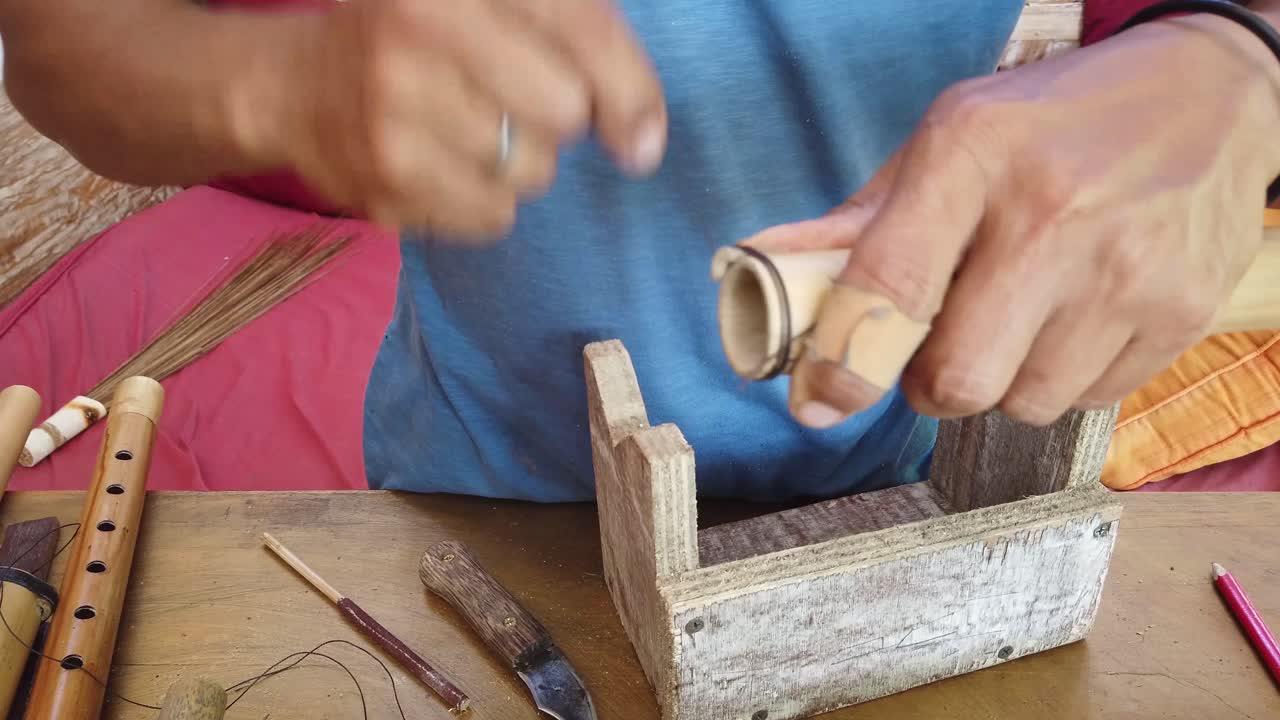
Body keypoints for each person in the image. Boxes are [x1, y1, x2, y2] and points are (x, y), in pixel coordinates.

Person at [1, 1, 1276, 502]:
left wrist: (1234, 51)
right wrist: (270, 80)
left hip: (892, 466)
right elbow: (61, 51)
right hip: (479, 485)